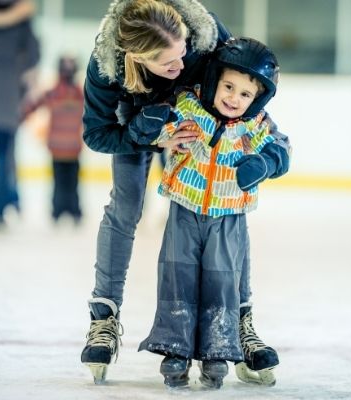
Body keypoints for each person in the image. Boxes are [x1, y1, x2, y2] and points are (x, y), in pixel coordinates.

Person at [80, 0, 290, 386]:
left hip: (198, 117)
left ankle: (240, 322)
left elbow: (247, 95)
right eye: (168, 63)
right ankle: (104, 318)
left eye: (183, 54)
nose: (181, 65)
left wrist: (269, 152)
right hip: (139, 124)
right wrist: (153, 137)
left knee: (227, 211)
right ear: (136, 58)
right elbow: (96, 134)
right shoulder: (105, 68)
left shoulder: (205, 36)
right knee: (125, 207)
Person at [132, 37, 286, 389]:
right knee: (177, 278)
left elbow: (281, 148)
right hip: (184, 209)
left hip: (229, 217)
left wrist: (265, 162)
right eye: (228, 87)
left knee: (221, 282)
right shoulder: (190, 107)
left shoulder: (255, 125)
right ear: (215, 80)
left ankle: (218, 349)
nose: (234, 98)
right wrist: (150, 123)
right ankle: (175, 348)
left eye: (244, 94)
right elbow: (160, 128)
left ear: (257, 99)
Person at [0, 0, 39, 228]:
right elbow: (33, 54)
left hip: (6, 96)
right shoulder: (22, 16)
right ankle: (2, 206)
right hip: (7, 96)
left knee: (5, 155)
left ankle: (8, 200)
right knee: (5, 155)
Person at [23, 56, 84, 224]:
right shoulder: (78, 93)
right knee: (70, 182)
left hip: (62, 146)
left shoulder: (57, 92)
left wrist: (21, 114)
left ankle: (60, 211)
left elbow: (30, 106)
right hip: (68, 146)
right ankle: (70, 211)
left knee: (63, 181)